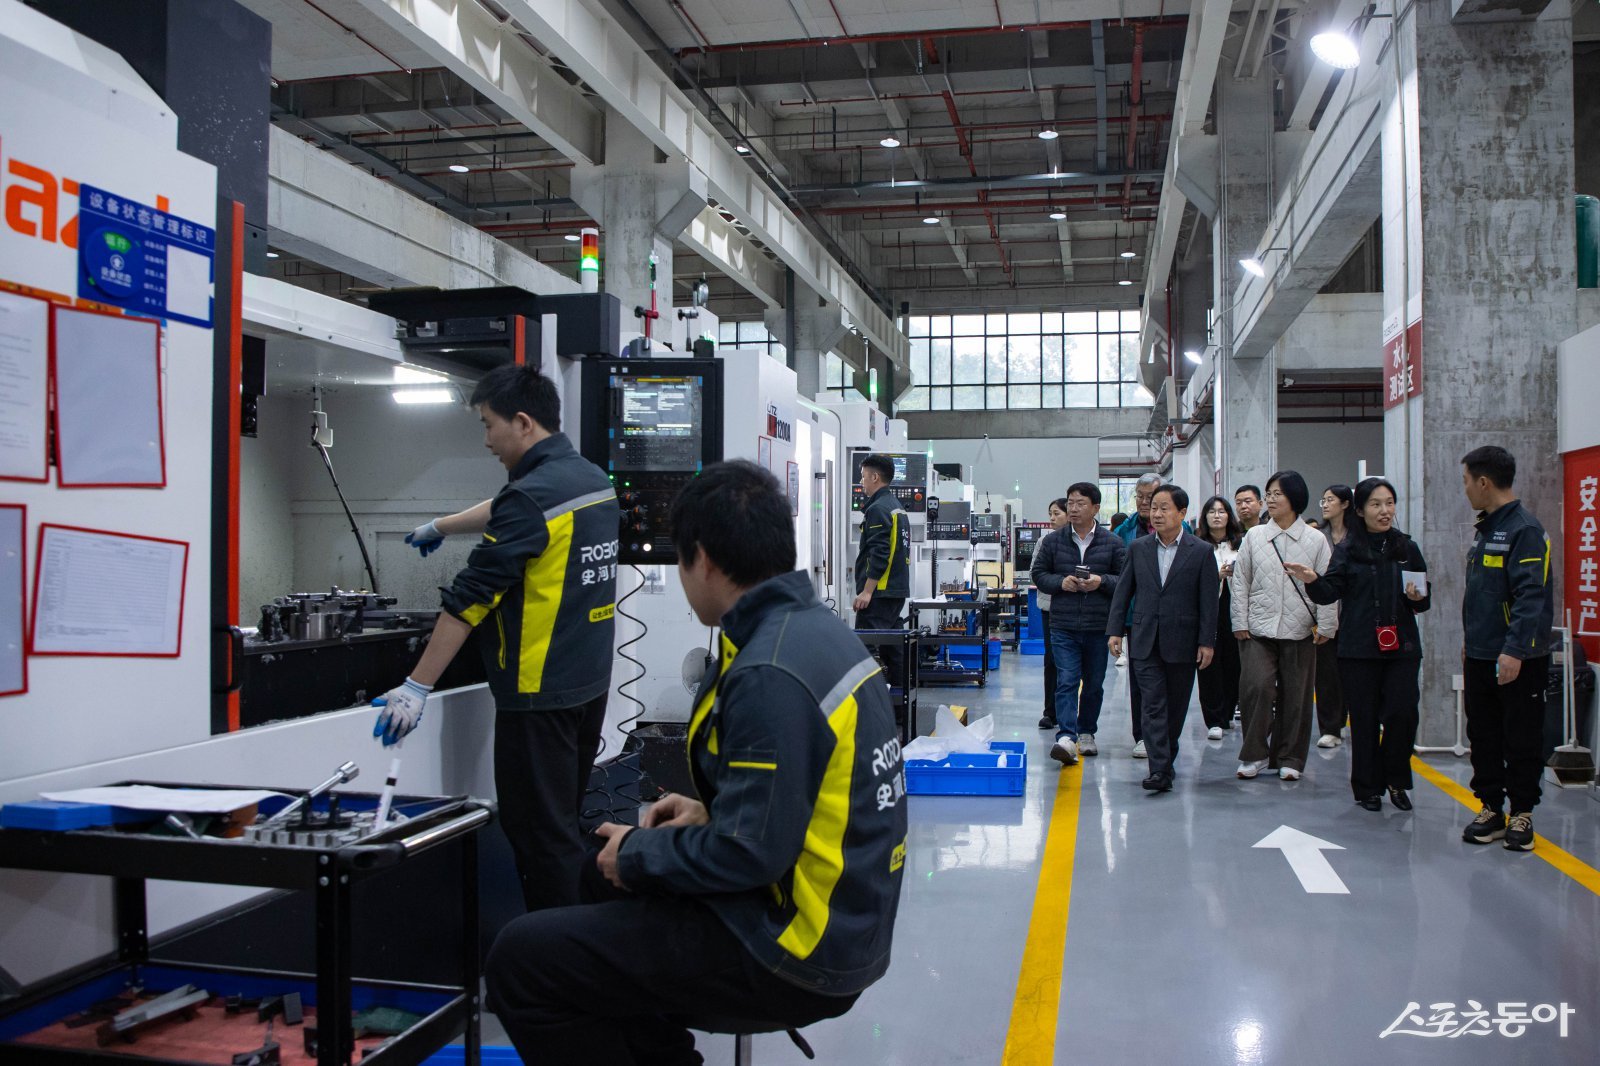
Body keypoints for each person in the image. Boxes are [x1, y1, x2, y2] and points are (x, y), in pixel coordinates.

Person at [484, 461, 907, 1063]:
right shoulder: (815, 632)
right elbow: (801, 799)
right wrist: (709, 811)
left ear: (703, 559)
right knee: (587, 885)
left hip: (793, 946)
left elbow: (749, 854)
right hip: (843, 918)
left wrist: (637, 852)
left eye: (680, 563)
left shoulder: (769, 671)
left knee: (521, 962)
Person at [374, 364, 618, 912]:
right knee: (563, 828)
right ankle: (576, 945)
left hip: (537, 695)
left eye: (488, 426)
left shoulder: (531, 498)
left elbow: (469, 600)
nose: (486, 441)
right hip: (586, 685)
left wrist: (415, 687)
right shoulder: (590, 480)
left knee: (540, 840)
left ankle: (559, 965)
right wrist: (442, 525)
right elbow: (512, 509)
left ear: (524, 423)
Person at [1288, 478, 1430, 811]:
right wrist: (1312, 580)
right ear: (1362, 509)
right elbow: (1329, 592)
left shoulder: (1407, 549)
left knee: (1402, 713)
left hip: (1402, 648)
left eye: (1390, 503)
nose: (1385, 511)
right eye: (1377, 504)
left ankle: (1395, 779)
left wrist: (1417, 597)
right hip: (1359, 648)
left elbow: (1423, 601)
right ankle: (1367, 787)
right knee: (1364, 720)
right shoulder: (1348, 549)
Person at [1457, 446, 1554, 851]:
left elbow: (1533, 596)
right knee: (1484, 735)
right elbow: (1481, 597)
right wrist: (1470, 644)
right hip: (1481, 654)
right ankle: (1492, 808)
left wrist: (1514, 650)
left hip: (1517, 658)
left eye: (1466, 482)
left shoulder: (1524, 530)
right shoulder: (1485, 530)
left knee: (1521, 736)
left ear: (1483, 482)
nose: (1465, 490)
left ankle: (1523, 813)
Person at [1107, 485, 1218, 792]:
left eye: (1164, 508)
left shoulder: (1201, 551)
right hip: (1144, 638)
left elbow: (1209, 601)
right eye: (1154, 507)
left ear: (1182, 513)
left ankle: (1166, 757)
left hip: (1183, 640)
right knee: (1152, 705)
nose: (1156, 513)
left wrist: (1207, 641)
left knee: (1176, 706)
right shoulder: (1139, 548)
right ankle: (1159, 769)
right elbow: (1123, 591)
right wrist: (1115, 629)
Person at [1231, 470, 1337, 782]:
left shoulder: (1316, 540)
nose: (1272, 499)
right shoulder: (1255, 537)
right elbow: (1241, 583)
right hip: (1258, 630)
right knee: (1256, 688)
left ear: (1295, 498)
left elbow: (1327, 587)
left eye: (1278, 493)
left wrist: (1327, 626)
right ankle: (1254, 754)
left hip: (1300, 630)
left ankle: (1291, 757)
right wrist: (1239, 621)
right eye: (1270, 493)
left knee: (1297, 695)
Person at [1031, 483, 1127, 764]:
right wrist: (1060, 583)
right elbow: (1038, 574)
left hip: (1099, 626)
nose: (1073, 508)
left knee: (1094, 683)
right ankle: (1067, 735)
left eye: (1080, 503)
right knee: (1067, 680)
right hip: (1063, 624)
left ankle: (1087, 732)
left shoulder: (1112, 543)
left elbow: (1124, 580)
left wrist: (1100, 582)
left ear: (1096, 508)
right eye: (1070, 503)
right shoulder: (1053, 541)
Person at [1114, 473, 1165, 759]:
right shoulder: (1125, 530)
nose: (1145, 503)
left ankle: (1165, 735)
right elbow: (1121, 580)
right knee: (1140, 679)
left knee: (1170, 679)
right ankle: (1142, 735)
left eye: (1151, 497)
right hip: (1138, 617)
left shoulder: (1180, 528)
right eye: (1140, 496)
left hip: (1171, 617)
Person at [853, 454, 911, 687]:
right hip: (895, 591)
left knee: (865, 648)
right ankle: (899, 707)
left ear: (875, 477)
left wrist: (867, 591)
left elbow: (880, 552)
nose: (861, 482)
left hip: (880, 592)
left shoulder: (878, 509)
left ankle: (872, 707)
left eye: (863, 477)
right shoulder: (896, 507)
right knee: (893, 649)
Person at [1196, 496, 1243, 741]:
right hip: (1207, 610)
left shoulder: (1240, 544)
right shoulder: (1197, 546)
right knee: (1208, 665)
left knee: (1234, 664)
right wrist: (1216, 575)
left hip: (1234, 609)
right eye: (1212, 511)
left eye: (1222, 511)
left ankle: (1227, 712)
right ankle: (1213, 718)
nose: (1217, 516)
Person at [1314, 484, 1355, 749]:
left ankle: (1348, 720)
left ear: (1346, 504)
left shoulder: (1358, 538)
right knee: (1326, 676)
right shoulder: (1318, 537)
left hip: (1354, 617)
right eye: (1324, 499)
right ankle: (1330, 728)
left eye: (1331, 500)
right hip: (1326, 615)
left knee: (1351, 674)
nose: (1326, 504)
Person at [1035, 498, 1072, 730]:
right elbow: (1035, 572)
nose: (1051, 518)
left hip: (1080, 609)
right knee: (1052, 660)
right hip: (1051, 608)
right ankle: (1051, 712)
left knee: (1074, 664)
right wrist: (1061, 583)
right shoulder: (1044, 541)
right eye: (1050, 513)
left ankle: (1071, 713)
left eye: (1056, 513)